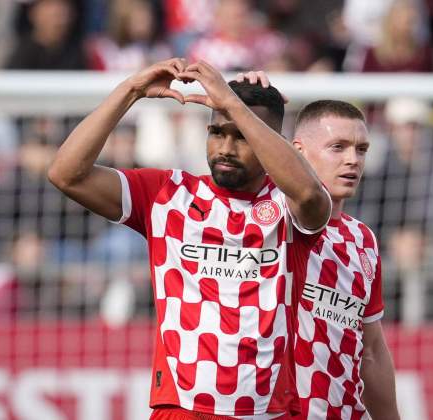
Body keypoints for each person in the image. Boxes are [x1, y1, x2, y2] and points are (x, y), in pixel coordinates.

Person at [47, 58, 331, 419]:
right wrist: (130, 91)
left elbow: (309, 194)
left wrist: (232, 103)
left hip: (266, 410)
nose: (226, 147)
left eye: (242, 135)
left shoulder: (289, 205)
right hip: (180, 408)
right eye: (217, 132)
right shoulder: (168, 195)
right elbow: (66, 174)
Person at [290, 100, 400, 419]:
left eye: (361, 149)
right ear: (298, 150)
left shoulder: (362, 239)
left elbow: (372, 352)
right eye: (337, 147)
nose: (353, 160)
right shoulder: (273, 219)